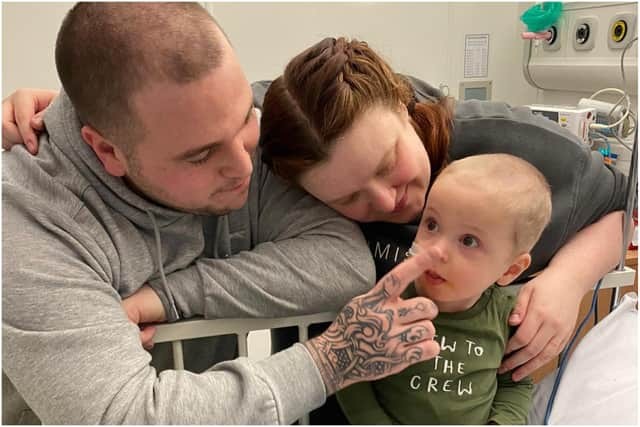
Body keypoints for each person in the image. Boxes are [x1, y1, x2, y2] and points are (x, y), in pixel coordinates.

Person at [4, 34, 628, 423]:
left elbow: (621, 208)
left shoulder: (507, 150)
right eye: (350, 197)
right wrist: (62, 107)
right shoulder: (278, 148)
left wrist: (571, 278)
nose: (391, 201)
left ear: (404, 101)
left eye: (389, 166)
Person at [2, 5, 442, 424]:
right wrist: (328, 361)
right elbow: (127, 417)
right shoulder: (29, 225)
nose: (245, 168)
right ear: (106, 150)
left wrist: (172, 294)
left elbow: (342, 262)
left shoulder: (235, 142)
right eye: (201, 155)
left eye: (243, 121)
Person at [336, 153, 552, 425]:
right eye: (432, 224)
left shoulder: (507, 317)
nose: (437, 249)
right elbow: (350, 374)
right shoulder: (390, 301)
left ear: (510, 270)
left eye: (469, 241)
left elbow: (515, 384)